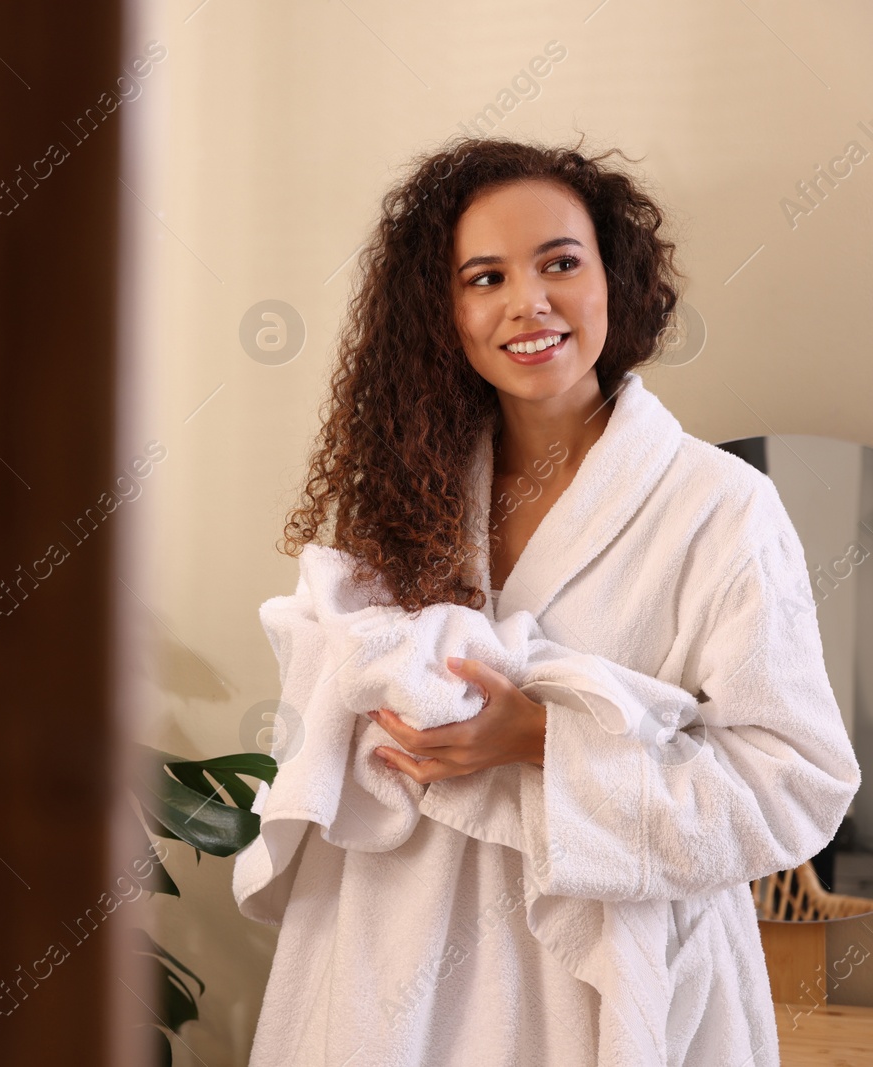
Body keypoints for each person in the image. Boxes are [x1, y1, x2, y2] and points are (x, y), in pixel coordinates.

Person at [233, 137, 860, 1066]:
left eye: (560, 262)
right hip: (390, 967)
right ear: (441, 312)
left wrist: (541, 741)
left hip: (606, 986)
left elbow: (797, 781)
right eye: (483, 277)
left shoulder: (717, 506)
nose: (527, 302)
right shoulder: (405, 499)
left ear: (617, 277)